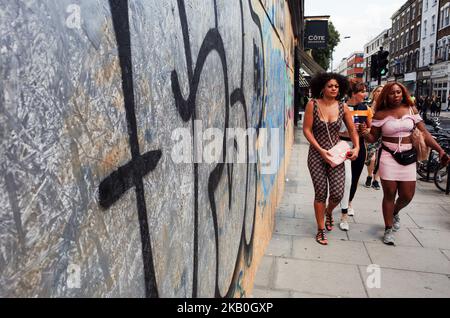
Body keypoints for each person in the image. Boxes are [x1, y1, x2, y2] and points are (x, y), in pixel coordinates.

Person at [361, 82, 450, 245]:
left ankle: (395, 211)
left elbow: (425, 133)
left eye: (399, 92)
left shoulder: (411, 110)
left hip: (409, 157)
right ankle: (388, 229)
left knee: (407, 196)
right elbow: (373, 138)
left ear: (403, 94)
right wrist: (364, 133)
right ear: (386, 95)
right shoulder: (380, 114)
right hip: (388, 156)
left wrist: (440, 150)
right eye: (392, 93)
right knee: (389, 193)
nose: (396, 95)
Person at [303, 73, 359, 245]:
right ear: (322, 88)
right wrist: (320, 150)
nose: (334, 88)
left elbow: (352, 130)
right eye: (330, 86)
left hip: (336, 155)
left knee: (337, 193)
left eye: (336, 86)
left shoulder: (343, 107)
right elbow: (306, 130)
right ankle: (320, 229)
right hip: (316, 155)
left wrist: (356, 147)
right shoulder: (312, 104)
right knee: (320, 193)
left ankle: (329, 212)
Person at [364, 85, 384, 191]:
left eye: (382, 91)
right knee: (372, 158)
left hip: (383, 136)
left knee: (381, 159)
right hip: (371, 135)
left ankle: (376, 179)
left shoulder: (386, 107)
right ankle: (369, 175)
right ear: (374, 93)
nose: (380, 93)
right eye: (378, 91)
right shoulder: (368, 106)